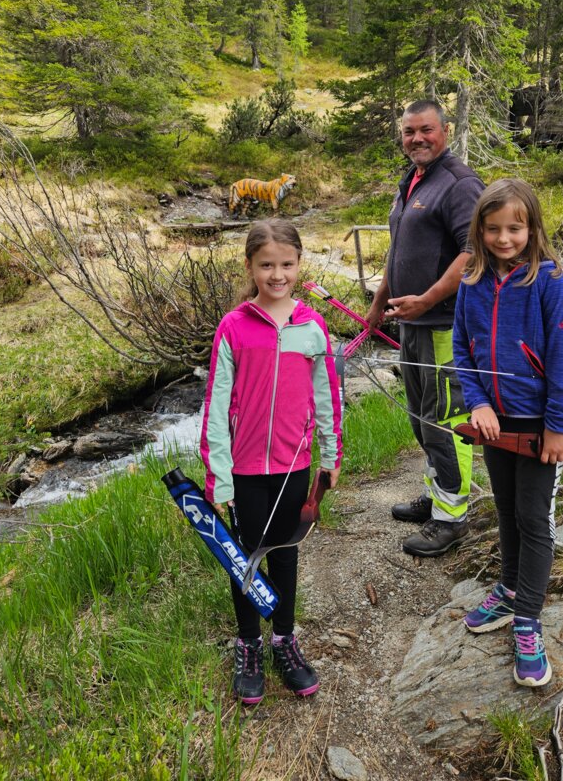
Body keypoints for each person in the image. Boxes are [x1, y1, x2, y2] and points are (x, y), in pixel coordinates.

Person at [200, 219, 343, 705]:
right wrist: (219, 475)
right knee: (244, 556)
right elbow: (216, 403)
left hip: (293, 466)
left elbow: (327, 395)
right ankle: (249, 644)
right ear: (250, 266)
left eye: (286, 264)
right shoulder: (234, 327)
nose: (277, 274)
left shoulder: (312, 326)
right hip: (243, 470)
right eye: (266, 265)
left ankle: (284, 638)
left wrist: (331, 454)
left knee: (285, 552)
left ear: (299, 265)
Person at [452, 178, 563, 687]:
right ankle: (508, 591)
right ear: (479, 230)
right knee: (506, 509)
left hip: (538, 424)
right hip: (493, 423)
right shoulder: (471, 280)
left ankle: (527, 618)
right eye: (493, 229)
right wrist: (478, 402)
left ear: (532, 228)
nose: (504, 239)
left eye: (514, 228)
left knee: (533, 517)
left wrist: (557, 427)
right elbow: (462, 349)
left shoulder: (549, 281)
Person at [365, 99, 485, 557]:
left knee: (446, 421)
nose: (417, 138)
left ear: (445, 131)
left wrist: (428, 299)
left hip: (443, 326)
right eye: (409, 131)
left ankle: (451, 519)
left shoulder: (459, 183)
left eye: (426, 130)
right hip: (411, 323)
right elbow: (399, 250)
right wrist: (379, 302)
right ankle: (436, 496)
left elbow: (473, 253)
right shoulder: (413, 180)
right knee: (420, 416)